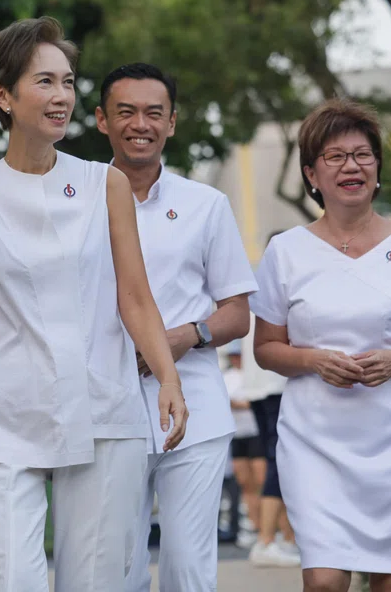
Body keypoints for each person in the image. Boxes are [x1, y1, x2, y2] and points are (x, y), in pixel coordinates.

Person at [0, 20, 189, 592]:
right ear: (3, 95)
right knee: (13, 581)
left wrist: (167, 375)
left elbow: (135, 298)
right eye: (44, 81)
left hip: (101, 409)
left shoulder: (105, 185)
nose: (62, 96)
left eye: (68, 82)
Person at [250, 99, 391, 592]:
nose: (351, 166)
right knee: (324, 581)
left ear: (377, 168)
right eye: (335, 156)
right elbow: (266, 348)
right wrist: (313, 360)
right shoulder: (286, 252)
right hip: (316, 438)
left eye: (362, 155)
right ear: (311, 174)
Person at [94, 62, 257, 592]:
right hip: (104, 409)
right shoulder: (77, 201)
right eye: (126, 112)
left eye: (153, 113)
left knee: (189, 570)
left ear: (172, 122)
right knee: (117, 570)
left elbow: (236, 312)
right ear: (101, 120)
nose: (140, 124)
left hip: (195, 409)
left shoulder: (206, 204)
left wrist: (186, 336)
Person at [245, 303, 301, 567]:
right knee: (278, 462)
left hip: (257, 387)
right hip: (274, 386)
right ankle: (266, 540)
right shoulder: (273, 291)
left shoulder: (255, 295)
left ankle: (286, 539)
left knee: (279, 462)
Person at [221, 339, 267, 550]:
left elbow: (255, 401)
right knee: (246, 484)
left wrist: (236, 404)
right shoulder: (227, 377)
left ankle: (269, 529)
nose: (236, 358)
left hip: (256, 433)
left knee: (262, 482)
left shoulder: (252, 376)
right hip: (237, 435)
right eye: (233, 355)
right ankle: (256, 528)